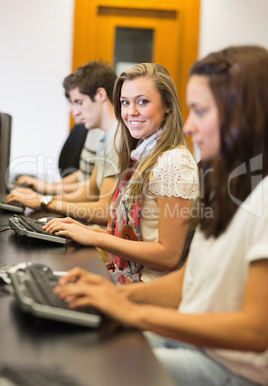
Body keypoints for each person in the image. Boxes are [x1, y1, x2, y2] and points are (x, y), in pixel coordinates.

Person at [52, 46, 267, 385]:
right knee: (75, 344)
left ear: (245, 112)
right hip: (197, 340)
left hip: (232, 367)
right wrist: (114, 296)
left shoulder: (255, 195)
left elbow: (256, 330)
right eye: (126, 102)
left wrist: (134, 310)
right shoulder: (225, 182)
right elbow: (189, 279)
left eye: (201, 111)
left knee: (93, 364)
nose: (191, 126)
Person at [44, 62, 199, 283]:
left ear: (167, 105)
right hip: (126, 274)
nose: (130, 112)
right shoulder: (144, 153)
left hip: (146, 286)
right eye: (125, 102)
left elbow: (169, 256)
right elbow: (136, 237)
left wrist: (94, 237)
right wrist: (86, 231)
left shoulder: (174, 163)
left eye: (142, 102)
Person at [6, 61, 119, 226]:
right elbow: (92, 190)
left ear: (100, 95)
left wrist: (44, 202)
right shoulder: (105, 137)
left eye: (79, 102)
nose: (75, 111)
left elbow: (104, 211)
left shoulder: (117, 138)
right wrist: (44, 198)